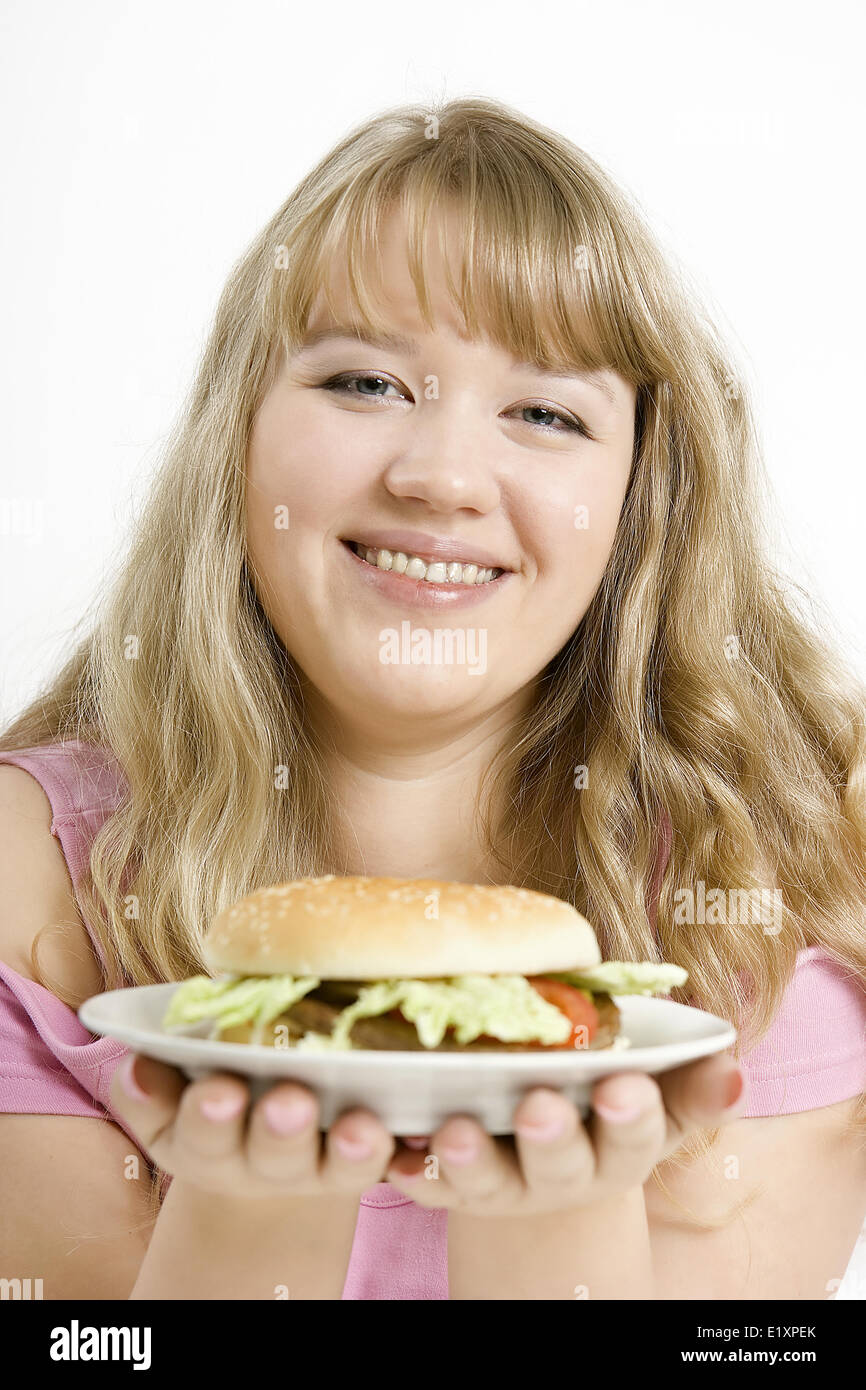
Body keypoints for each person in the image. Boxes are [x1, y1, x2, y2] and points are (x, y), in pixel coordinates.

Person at [1, 96, 864, 1301]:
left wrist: (552, 1229)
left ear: (640, 502)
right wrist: (248, 1214)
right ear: (238, 435)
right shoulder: (27, 879)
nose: (440, 476)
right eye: (362, 382)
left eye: (545, 413)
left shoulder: (768, 910)